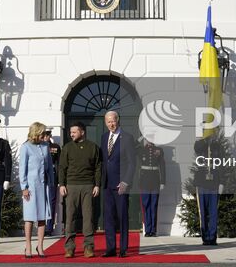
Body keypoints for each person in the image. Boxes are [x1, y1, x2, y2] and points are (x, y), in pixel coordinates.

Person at [57, 119, 102, 258]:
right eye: (70, 132)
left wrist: (97, 184)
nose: (71, 134)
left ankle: (88, 247)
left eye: (74, 132)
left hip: (88, 186)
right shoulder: (67, 148)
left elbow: (98, 168)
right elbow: (62, 167)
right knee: (70, 217)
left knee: (88, 218)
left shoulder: (93, 147)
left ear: (82, 132)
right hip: (71, 186)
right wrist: (62, 184)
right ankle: (69, 248)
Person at [99, 110, 136, 257]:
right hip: (107, 184)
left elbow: (132, 163)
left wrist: (126, 181)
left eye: (113, 121)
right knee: (108, 217)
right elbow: (104, 160)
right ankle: (110, 248)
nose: (111, 124)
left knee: (122, 217)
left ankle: (123, 249)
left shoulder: (127, 137)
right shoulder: (104, 137)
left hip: (121, 184)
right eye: (108, 121)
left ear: (118, 120)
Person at [19, 121, 54, 258]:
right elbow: (23, 168)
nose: (44, 135)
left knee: (42, 218)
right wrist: (24, 187)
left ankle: (40, 246)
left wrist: (51, 181)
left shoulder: (45, 146)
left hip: (43, 186)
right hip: (30, 187)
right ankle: (28, 246)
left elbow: (49, 165)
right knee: (29, 217)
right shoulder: (25, 147)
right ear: (36, 133)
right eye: (42, 133)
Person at [193, 134, 221, 246]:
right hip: (202, 183)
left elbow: (222, 164)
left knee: (213, 212)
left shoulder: (217, 145)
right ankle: (205, 237)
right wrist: (206, 139)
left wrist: (222, 182)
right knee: (203, 212)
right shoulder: (199, 144)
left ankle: (213, 237)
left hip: (214, 183)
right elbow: (197, 148)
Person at [135, 138, 166, 237]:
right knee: (146, 205)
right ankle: (147, 229)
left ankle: (153, 230)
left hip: (155, 181)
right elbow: (133, 145)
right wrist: (141, 137)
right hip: (144, 181)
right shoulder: (141, 150)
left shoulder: (159, 150)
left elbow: (162, 166)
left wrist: (163, 182)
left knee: (154, 205)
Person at [43, 128, 61, 236]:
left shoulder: (55, 147)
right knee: (41, 201)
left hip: (51, 175)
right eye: (44, 135)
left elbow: (59, 164)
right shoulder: (37, 146)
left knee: (51, 201)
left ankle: (49, 227)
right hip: (40, 175)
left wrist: (59, 179)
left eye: (47, 135)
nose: (46, 137)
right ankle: (41, 226)